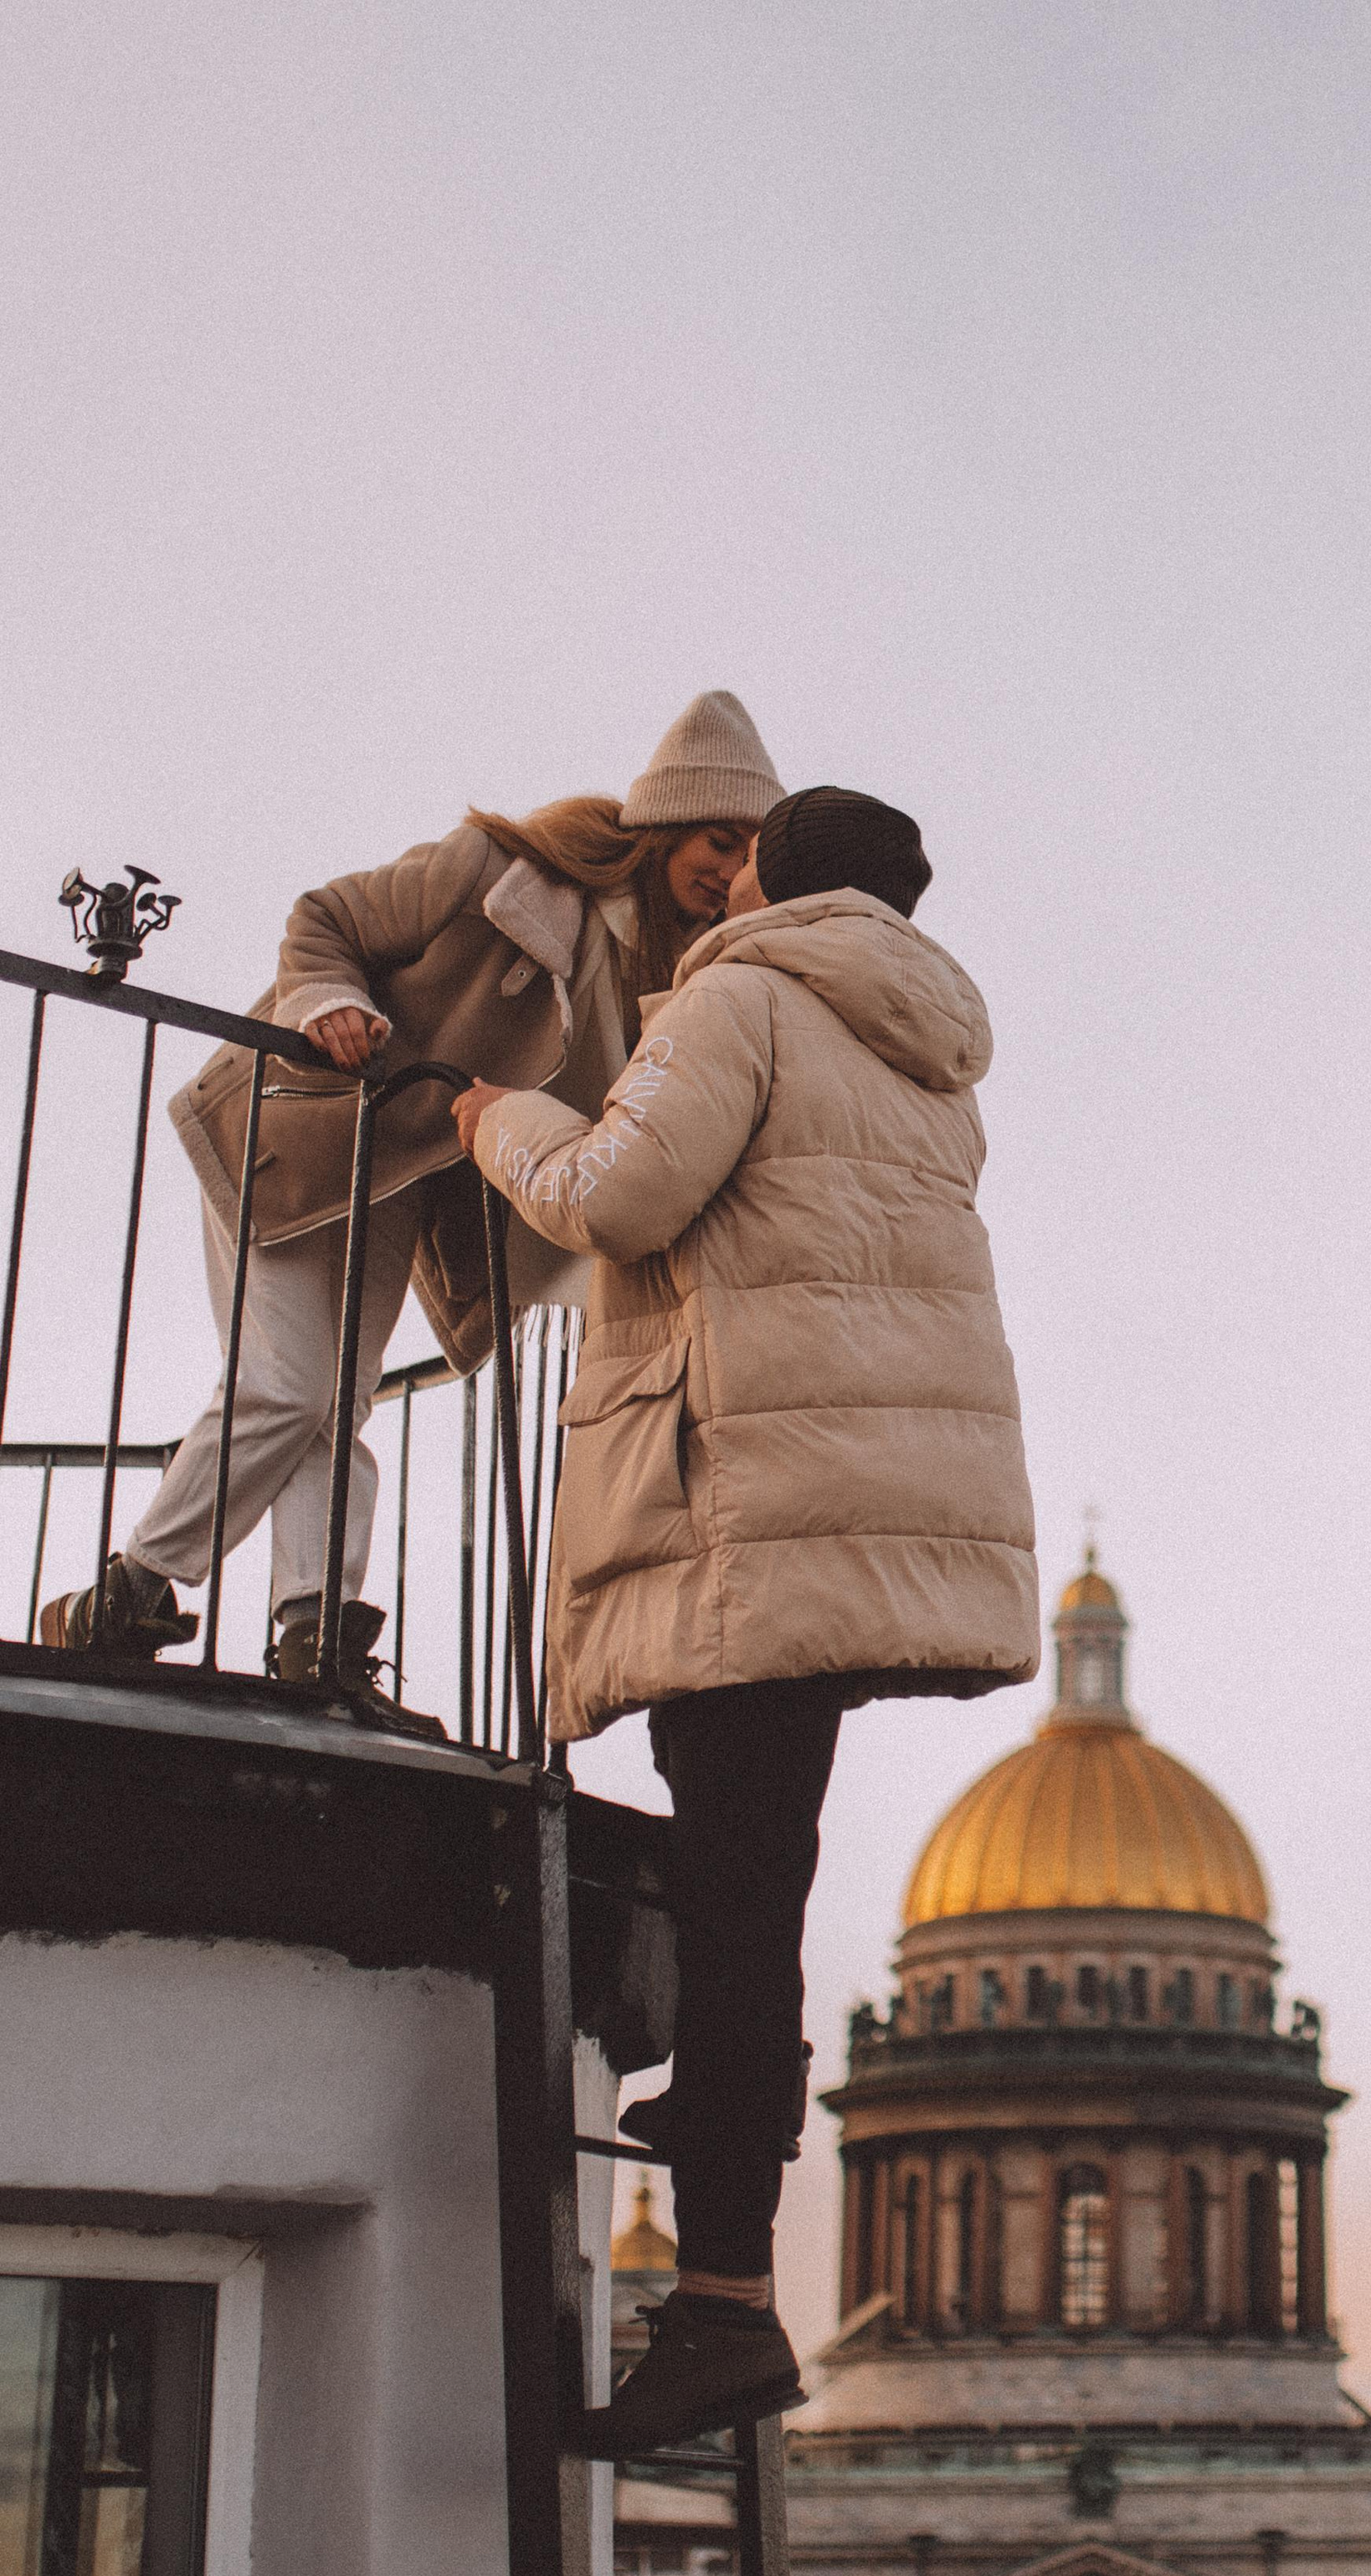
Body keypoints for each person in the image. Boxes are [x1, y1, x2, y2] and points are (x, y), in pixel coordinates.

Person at [456, 785, 1039, 2454]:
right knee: (752, 1877)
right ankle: (720, 2174)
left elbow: (612, 1200)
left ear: (779, 879)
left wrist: (496, 1115)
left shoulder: (744, 995)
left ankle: (719, 2291)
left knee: (736, 1894)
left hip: (746, 1508)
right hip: (865, 1513)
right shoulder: (931, 1057)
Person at [39, 692, 783, 1711]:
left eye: (748, 854)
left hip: (396, 1178)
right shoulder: (498, 873)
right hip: (297, 1135)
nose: (727, 865)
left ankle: (316, 1639)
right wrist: (329, 1002)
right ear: (664, 825)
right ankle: (127, 1594)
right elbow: (327, 920)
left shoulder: (668, 973)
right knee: (287, 1390)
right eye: (716, 837)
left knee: (330, 1402)